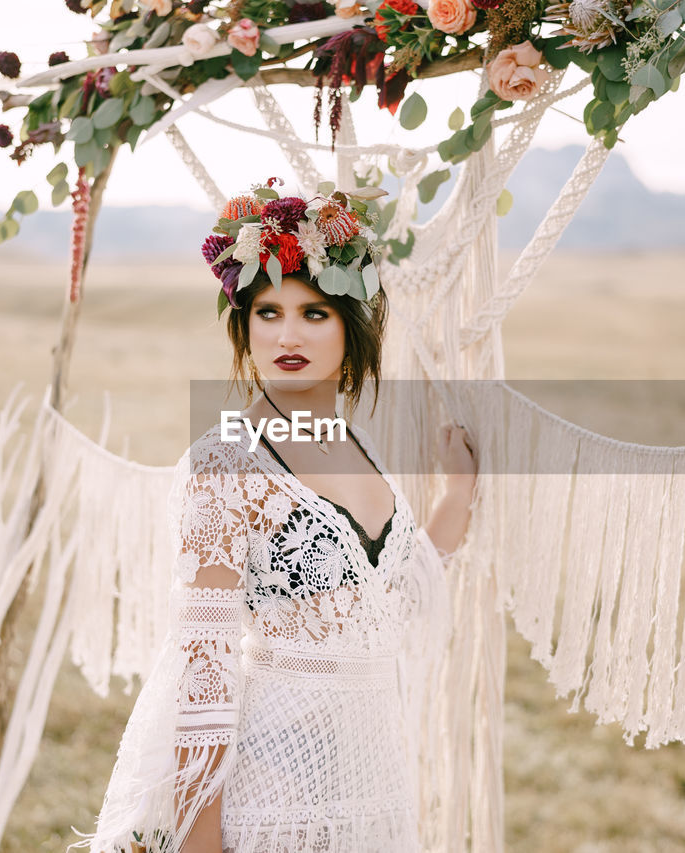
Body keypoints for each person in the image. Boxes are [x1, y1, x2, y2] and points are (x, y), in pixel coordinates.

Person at [76, 180, 475, 853]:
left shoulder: (358, 446)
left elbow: (391, 599)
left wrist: (456, 496)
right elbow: (202, 667)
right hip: (270, 798)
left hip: (372, 792)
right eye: (268, 313)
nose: (288, 334)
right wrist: (202, 844)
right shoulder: (227, 463)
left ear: (352, 327)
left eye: (315, 313)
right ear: (244, 326)